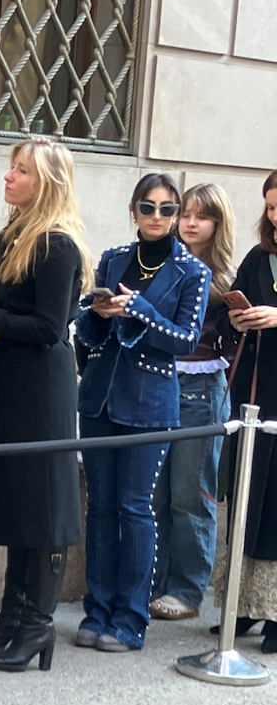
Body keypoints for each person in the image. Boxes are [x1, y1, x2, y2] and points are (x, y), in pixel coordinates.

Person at [0, 138, 90, 672]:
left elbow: (50, 328)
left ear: (45, 182)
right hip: (11, 382)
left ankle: (37, 625)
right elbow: (20, 312)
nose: (9, 176)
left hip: (41, 389)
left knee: (43, 504)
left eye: (21, 170)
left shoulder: (57, 243)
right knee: (19, 502)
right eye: (12, 167)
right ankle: (13, 616)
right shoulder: (18, 235)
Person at [75, 173, 210, 652]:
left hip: (151, 401)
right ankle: (97, 608)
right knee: (100, 507)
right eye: (147, 207)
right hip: (99, 396)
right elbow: (86, 329)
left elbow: (186, 340)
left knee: (134, 508)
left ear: (175, 215)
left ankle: (131, 618)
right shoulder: (113, 259)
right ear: (133, 210)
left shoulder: (191, 271)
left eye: (167, 209)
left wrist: (140, 312)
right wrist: (96, 313)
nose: (157, 216)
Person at [149, 184, 236, 620]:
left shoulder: (223, 279)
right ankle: (156, 582)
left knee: (190, 493)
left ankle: (187, 590)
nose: (190, 223)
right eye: (185, 214)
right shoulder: (164, 264)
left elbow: (234, 344)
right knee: (156, 493)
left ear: (218, 224)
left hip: (202, 388)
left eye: (202, 216)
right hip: (158, 382)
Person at [214, 168, 277, 653]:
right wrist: (239, 317)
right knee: (248, 494)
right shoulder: (259, 256)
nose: (275, 217)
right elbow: (229, 315)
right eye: (271, 208)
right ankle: (245, 603)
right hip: (255, 392)